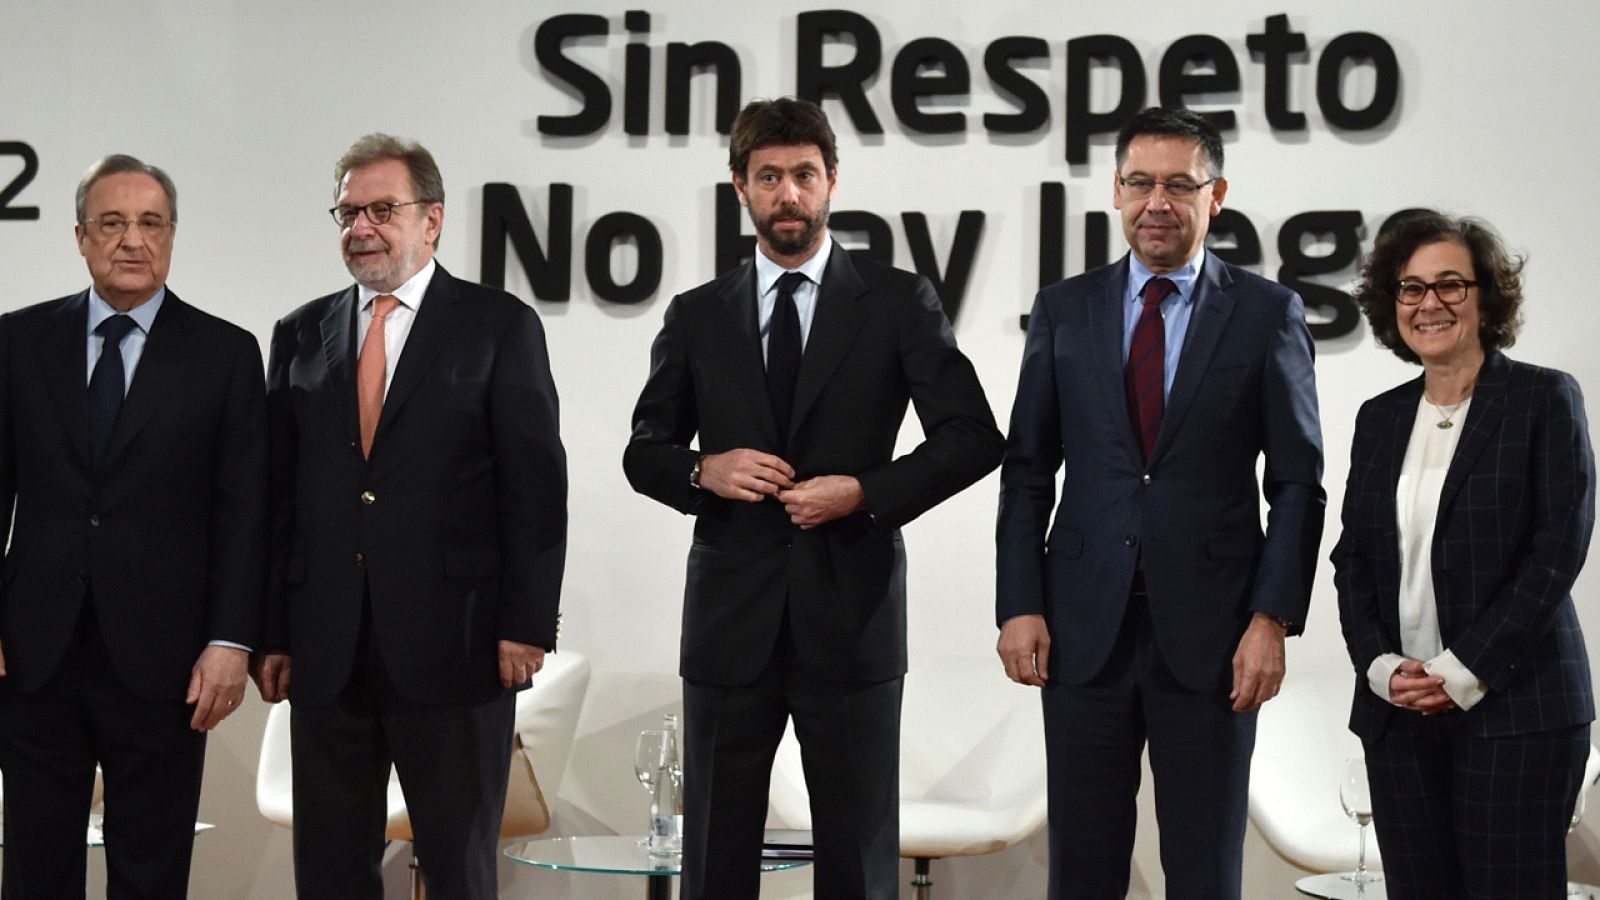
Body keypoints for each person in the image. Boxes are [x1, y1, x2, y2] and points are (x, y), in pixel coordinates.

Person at [624, 96, 1003, 900]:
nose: (787, 194)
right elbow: (643, 452)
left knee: (859, 862)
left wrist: (865, 491)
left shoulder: (900, 302)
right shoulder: (697, 315)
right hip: (730, 626)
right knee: (715, 861)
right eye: (769, 177)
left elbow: (973, 436)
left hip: (852, 617)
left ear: (833, 181)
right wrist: (704, 472)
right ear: (740, 189)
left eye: (803, 175)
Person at [995, 107, 1325, 899]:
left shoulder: (1265, 312)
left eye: (1181, 185)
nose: (1158, 203)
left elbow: (1296, 484)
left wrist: (1270, 619)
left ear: (1217, 196)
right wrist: (1019, 603)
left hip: (1215, 641)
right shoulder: (1064, 308)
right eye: (1141, 182)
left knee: (1206, 870)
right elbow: (1028, 468)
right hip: (1081, 633)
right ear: (1115, 191)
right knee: (1082, 868)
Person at [253, 133, 567, 900]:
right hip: (328, 652)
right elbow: (278, 497)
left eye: (382, 209)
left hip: (455, 649)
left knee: (459, 870)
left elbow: (535, 486)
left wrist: (526, 623)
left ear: (433, 220)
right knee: (329, 872)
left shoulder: (498, 325)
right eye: (348, 211)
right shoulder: (299, 332)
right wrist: (272, 631)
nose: (362, 227)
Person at [0, 154, 266, 898]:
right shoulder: (18, 342)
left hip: (167, 657)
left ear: (173, 236)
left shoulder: (225, 354)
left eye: (150, 223)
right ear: (80, 237)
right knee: (31, 866)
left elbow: (244, 511)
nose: (132, 240)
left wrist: (230, 639)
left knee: (151, 869)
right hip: (34, 652)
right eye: (112, 223)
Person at [1332, 210, 1594, 899]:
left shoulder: (1543, 399)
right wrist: (1383, 668)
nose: (1430, 304)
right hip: (1400, 713)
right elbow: (1352, 558)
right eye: (1411, 289)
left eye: (1450, 284)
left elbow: (1555, 553)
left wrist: (1459, 669)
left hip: (1517, 711)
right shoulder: (1380, 417)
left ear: (1487, 297)